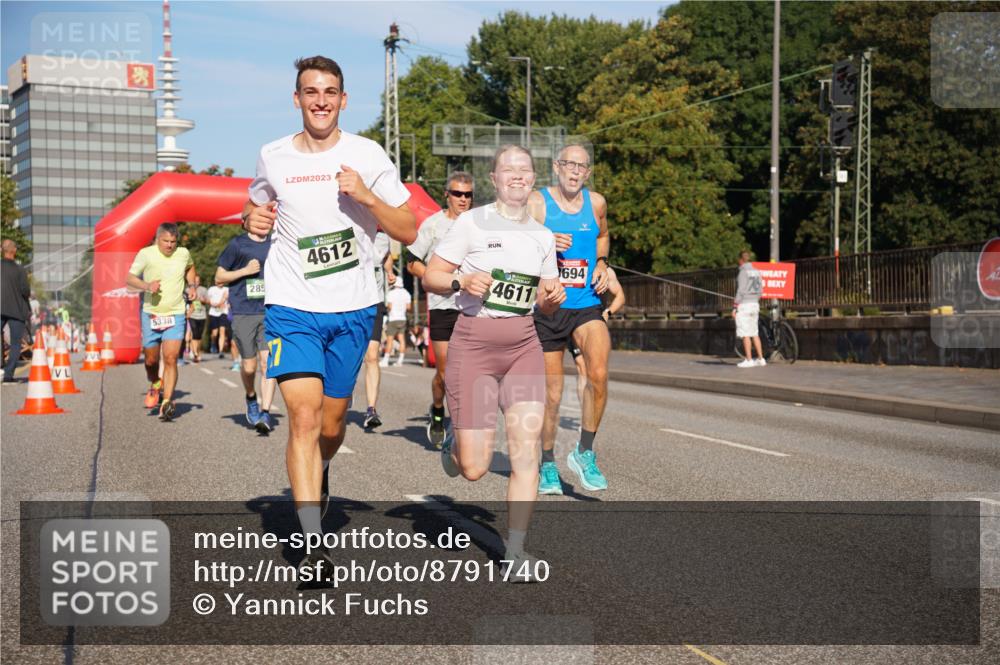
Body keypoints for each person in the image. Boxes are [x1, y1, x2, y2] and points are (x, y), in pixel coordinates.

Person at [242, 55, 416, 574]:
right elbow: (254, 207)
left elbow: (408, 228)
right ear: (297, 98)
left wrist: (367, 196)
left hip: (353, 306)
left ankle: (318, 472)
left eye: (330, 92)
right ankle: (312, 545)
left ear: (343, 99)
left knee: (333, 425)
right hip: (291, 305)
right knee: (303, 417)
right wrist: (252, 219)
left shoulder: (367, 154)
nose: (321, 101)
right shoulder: (273, 155)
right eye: (311, 91)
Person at [423, 144, 565, 573]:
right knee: (473, 468)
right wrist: (461, 280)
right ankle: (453, 439)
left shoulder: (542, 236)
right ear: (495, 179)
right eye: (508, 169)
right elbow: (431, 276)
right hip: (474, 348)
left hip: (523, 347)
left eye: (524, 169)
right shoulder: (471, 223)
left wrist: (551, 300)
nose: (517, 175)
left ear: (533, 179)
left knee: (526, 453)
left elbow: (545, 302)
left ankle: (515, 551)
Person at [527, 143, 612, 495]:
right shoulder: (537, 202)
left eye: (582, 166)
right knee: (552, 395)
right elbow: (513, 240)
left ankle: (584, 452)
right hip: (548, 306)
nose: (575, 171)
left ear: (587, 173)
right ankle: (547, 463)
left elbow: (603, 236)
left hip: (586, 304)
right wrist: (544, 239)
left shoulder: (597, 203)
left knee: (598, 373)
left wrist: (602, 263)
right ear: (557, 167)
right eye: (569, 164)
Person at [405, 171, 474, 448]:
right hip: (443, 306)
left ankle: (461, 427)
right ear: (447, 195)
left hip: (473, 306)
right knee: (446, 374)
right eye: (457, 194)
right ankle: (437, 411)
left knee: (470, 372)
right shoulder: (433, 225)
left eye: (468, 195)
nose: (463, 199)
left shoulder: (480, 225)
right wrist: (439, 279)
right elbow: (412, 262)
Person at [126, 223, 196, 420]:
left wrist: (191, 285)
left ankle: (166, 402)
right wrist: (147, 285)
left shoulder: (183, 253)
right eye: (165, 241)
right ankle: (155, 382)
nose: (169, 245)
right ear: (157, 239)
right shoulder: (146, 254)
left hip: (176, 313)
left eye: (173, 241)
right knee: (151, 361)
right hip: (152, 314)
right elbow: (130, 278)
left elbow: (190, 267)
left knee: (171, 358)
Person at [216, 227, 278, 432]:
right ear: (246, 221)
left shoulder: (276, 241)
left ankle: (265, 412)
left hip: (270, 310)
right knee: (250, 367)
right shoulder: (237, 244)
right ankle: (251, 397)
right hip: (244, 311)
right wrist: (245, 271)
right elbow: (219, 278)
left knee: (268, 363)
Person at [568, 266, 625, 407]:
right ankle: (585, 411)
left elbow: (620, 296)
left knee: (594, 370)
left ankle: (590, 410)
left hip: (595, 325)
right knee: (582, 366)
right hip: (573, 322)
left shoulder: (606, 271)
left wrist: (608, 312)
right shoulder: (572, 264)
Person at [361, 230, 395, 430]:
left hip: (375, 303)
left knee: (372, 356)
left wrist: (389, 271)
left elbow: (386, 256)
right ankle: (342, 392)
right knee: (348, 356)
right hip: (350, 303)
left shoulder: (383, 236)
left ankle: (371, 409)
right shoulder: (351, 228)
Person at [1, 239, 31, 383]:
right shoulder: (20, 270)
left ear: (2, 250)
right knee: (15, 343)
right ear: (14, 251)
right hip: (17, 310)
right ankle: (8, 376)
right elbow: (26, 291)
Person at [734, 250, 766, 368]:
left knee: (745, 333)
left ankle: (749, 360)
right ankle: (761, 359)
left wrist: (735, 306)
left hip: (745, 305)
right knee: (754, 332)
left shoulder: (743, 272)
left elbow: (741, 290)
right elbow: (761, 290)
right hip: (755, 304)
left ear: (740, 260)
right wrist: (754, 298)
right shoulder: (757, 271)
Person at [382, 281, 411, 367]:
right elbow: (408, 307)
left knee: (390, 340)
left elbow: (390, 307)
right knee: (402, 339)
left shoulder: (391, 293)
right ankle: (400, 361)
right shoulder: (406, 293)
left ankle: (385, 360)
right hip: (402, 318)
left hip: (393, 318)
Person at [185, 277, 208, 363]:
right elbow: (185, 301)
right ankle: (195, 353)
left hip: (202, 316)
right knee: (194, 334)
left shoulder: (203, 290)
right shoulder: (187, 290)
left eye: (198, 281)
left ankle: (197, 352)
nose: (196, 283)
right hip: (192, 315)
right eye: (195, 281)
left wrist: (203, 300)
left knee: (199, 336)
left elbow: (208, 301)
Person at [207, 283, 229, 356]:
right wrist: (213, 304)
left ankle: (221, 351)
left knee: (222, 331)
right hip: (213, 313)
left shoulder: (226, 289)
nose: (220, 283)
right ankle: (213, 343)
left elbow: (230, 300)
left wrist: (228, 305)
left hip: (223, 312)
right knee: (215, 333)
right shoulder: (211, 289)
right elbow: (207, 299)